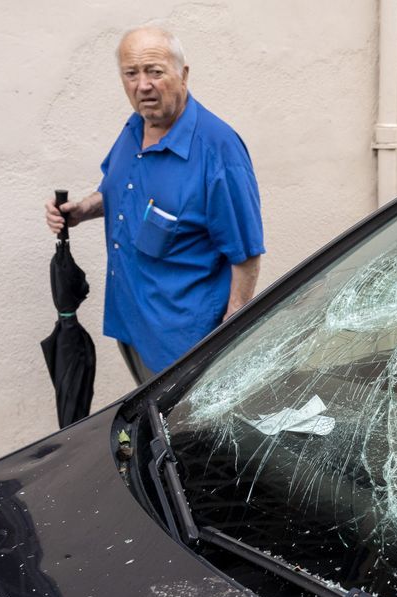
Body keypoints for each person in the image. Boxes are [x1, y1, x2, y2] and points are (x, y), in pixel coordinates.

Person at [44, 26, 264, 384]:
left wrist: (228, 341)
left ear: (183, 74)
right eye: (131, 73)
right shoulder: (134, 128)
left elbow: (247, 254)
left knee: (184, 438)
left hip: (185, 349)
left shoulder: (217, 149)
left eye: (155, 71)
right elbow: (123, 193)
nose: (142, 85)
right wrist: (83, 210)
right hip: (131, 324)